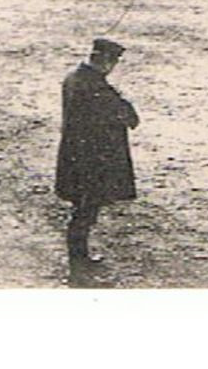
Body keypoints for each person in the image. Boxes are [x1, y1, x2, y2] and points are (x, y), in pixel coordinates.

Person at [55, 38, 139, 268]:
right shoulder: (96, 87)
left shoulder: (75, 77)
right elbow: (128, 117)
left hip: (76, 153)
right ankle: (79, 258)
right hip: (92, 159)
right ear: (105, 62)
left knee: (82, 206)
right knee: (86, 208)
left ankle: (78, 255)